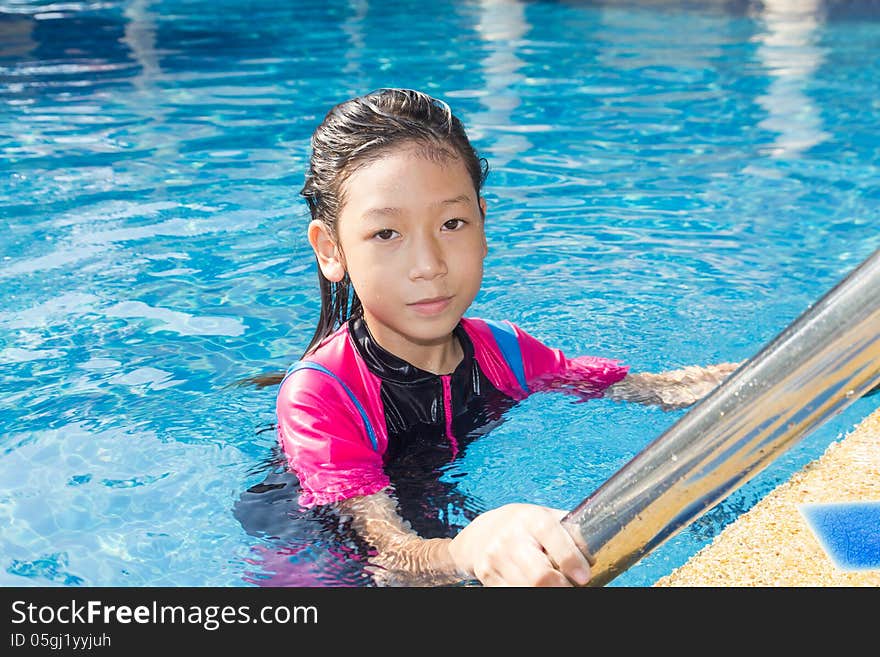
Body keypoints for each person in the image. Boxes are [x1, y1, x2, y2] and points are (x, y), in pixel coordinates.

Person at [258, 88, 739, 587]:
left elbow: (642, 388)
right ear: (331, 249)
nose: (429, 266)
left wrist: (736, 380)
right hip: (325, 559)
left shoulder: (503, 352)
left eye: (451, 223)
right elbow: (384, 555)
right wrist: (469, 548)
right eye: (386, 234)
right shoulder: (321, 395)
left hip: (435, 517)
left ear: (483, 226)